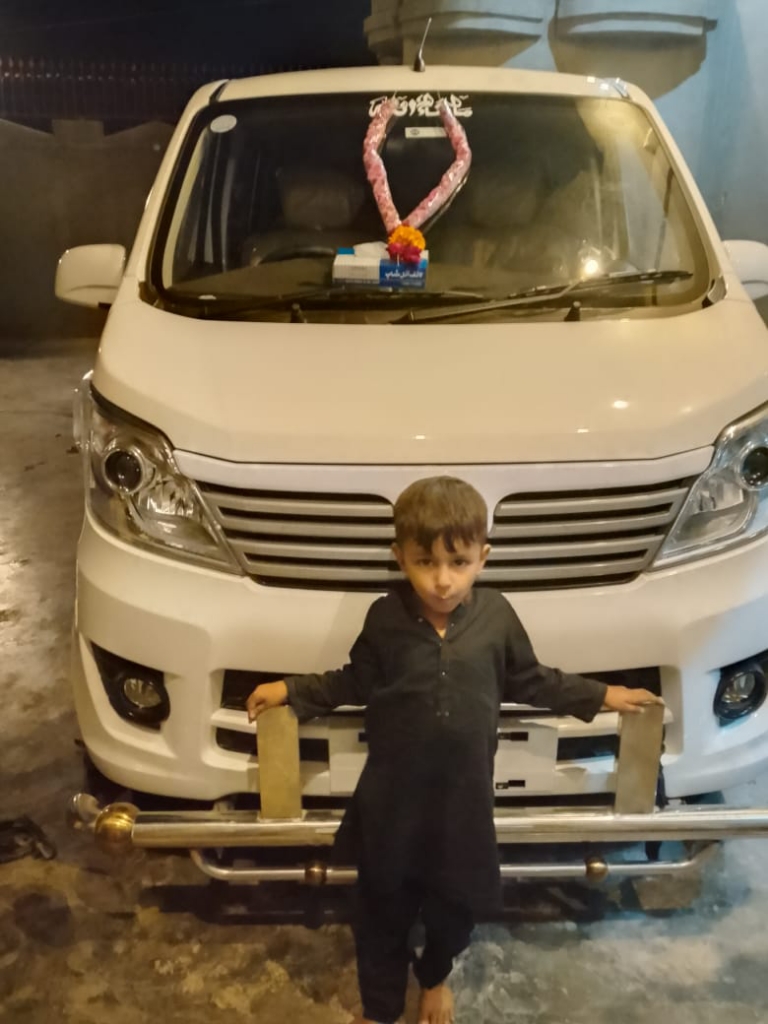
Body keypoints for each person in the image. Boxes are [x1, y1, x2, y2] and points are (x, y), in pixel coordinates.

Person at [246, 476, 662, 1024]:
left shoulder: (496, 617)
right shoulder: (385, 618)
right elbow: (352, 681)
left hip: (462, 807)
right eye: (425, 563)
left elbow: (532, 679)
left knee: (457, 905)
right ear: (400, 557)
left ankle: (435, 976)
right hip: (391, 805)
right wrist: (290, 689)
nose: (442, 581)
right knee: (379, 911)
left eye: (458, 563)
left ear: (482, 558)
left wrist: (603, 695)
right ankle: (380, 1007)